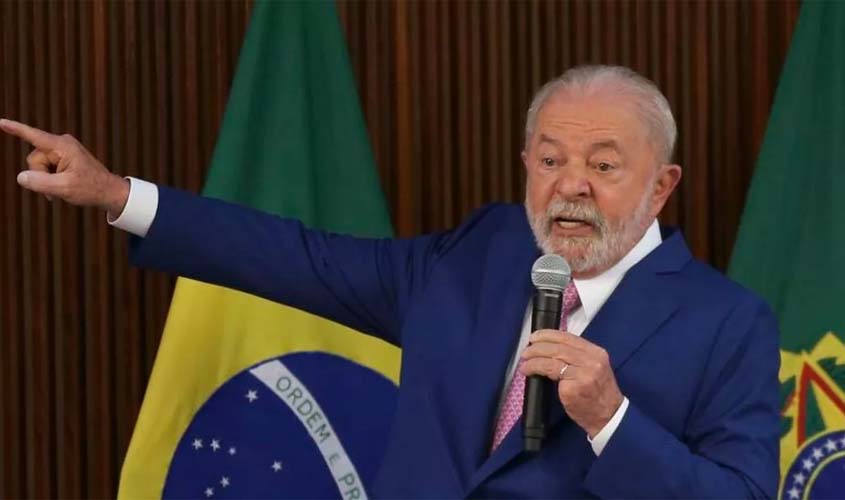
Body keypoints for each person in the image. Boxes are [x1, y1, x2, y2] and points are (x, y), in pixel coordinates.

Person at [2, 65, 779, 498]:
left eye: (602, 166)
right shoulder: (477, 255)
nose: (569, 185)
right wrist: (117, 195)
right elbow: (298, 258)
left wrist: (611, 419)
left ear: (661, 185)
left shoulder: (726, 321)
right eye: (549, 160)